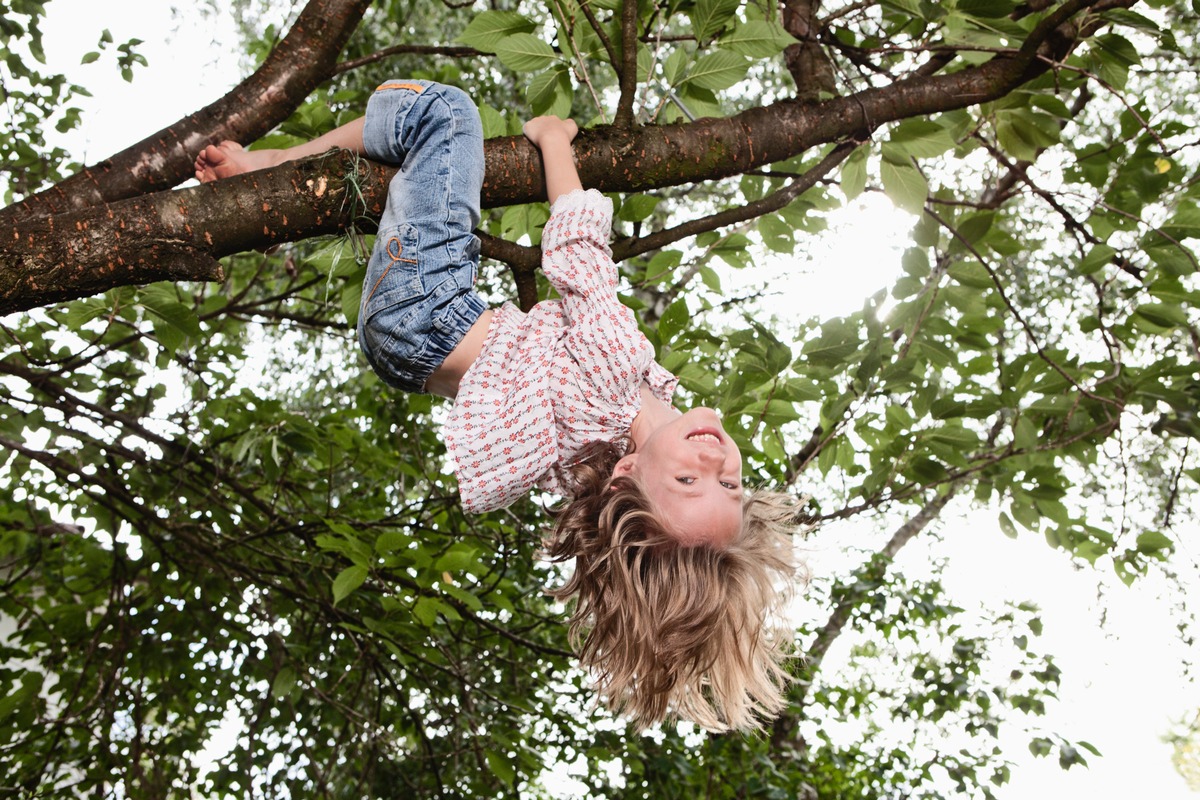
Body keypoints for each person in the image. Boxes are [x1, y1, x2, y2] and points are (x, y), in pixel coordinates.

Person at [196, 80, 800, 732]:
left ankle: (268, 164)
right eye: (730, 482)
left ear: (628, 479)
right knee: (426, 171)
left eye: (689, 481)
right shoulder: (619, 424)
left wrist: (553, 142)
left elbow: (578, 255)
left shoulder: (618, 381)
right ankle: (287, 183)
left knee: (445, 114)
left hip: (427, 309)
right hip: (415, 342)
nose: (713, 460)